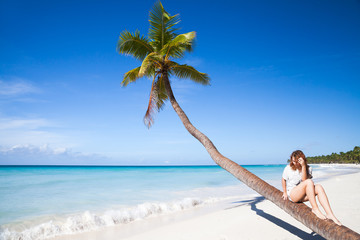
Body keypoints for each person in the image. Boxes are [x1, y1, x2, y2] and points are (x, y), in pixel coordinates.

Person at [282, 150, 341, 226]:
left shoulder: (308, 169)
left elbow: (304, 180)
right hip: (293, 194)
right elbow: (283, 179)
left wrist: (303, 166)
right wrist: (285, 192)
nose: (295, 163)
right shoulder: (288, 168)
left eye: (296, 161)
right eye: (293, 161)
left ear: (302, 160)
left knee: (319, 187)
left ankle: (330, 214)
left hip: (304, 195)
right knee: (309, 182)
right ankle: (315, 208)